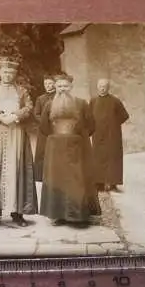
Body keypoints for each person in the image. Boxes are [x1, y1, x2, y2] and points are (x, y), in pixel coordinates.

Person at [0, 56, 38, 229]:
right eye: (5, 72)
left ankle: (17, 213)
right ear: (0, 73)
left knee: (16, 170)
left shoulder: (22, 91)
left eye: (11, 73)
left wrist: (16, 116)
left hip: (16, 135)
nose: (8, 75)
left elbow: (29, 107)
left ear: (15, 74)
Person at [39, 73, 101, 227]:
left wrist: (77, 137)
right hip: (55, 149)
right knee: (57, 180)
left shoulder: (81, 104)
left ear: (71, 87)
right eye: (59, 86)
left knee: (77, 180)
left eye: (65, 86)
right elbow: (44, 127)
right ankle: (59, 215)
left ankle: (79, 216)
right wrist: (57, 137)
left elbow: (91, 125)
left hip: (76, 148)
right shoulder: (49, 105)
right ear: (55, 87)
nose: (62, 89)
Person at [90, 78, 129, 192]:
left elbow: (124, 116)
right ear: (97, 87)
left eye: (105, 86)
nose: (102, 89)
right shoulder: (93, 101)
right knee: (98, 157)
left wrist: (114, 124)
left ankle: (113, 184)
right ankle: (99, 183)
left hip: (113, 135)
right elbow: (89, 116)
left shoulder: (115, 101)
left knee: (113, 158)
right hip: (97, 134)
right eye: (100, 86)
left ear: (108, 88)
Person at [33, 75, 56, 182]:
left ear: (54, 84)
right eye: (46, 84)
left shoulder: (58, 97)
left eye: (50, 83)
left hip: (56, 129)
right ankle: (40, 176)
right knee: (42, 152)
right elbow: (36, 114)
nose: (48, 86)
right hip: (43, 130)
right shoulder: (40, 99)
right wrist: (44, 123)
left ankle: (55, 175)